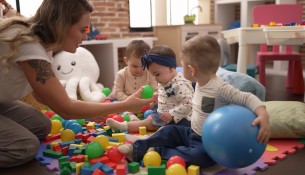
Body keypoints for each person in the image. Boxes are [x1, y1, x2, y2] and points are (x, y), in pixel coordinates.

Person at [0, 0, 154, 168]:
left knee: (42, 125)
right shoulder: (29, 45)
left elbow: (42, 95)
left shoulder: (44, 45)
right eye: (82, 30)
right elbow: (65, 108)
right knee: (25, 146)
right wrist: (125, 105)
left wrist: (86, 110)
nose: (85, 36)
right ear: (60, 25)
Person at [117, 35, 271, 168]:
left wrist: (262, 113)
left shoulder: (220, 88)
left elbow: (247, 97)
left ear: (191, 70)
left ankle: (159, 152)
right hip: (191, 131)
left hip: (208, 141)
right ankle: (138, 148)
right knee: (168, 130)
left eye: (182, 66)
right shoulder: (199, 83)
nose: (179, 70)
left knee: (201, 157)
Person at [107, 45, 194, 133]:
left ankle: (129, 132)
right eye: (153, 75)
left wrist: (171, 114)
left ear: (171, 69)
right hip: (163, 115)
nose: (155, 79)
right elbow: (164, 97)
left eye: (157, 74)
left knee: (156, 128)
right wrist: (155, 99)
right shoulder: (165, 80)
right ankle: (124, 126)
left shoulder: (180, 84)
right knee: (148, 121)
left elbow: (189, 104)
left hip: (178, 121)